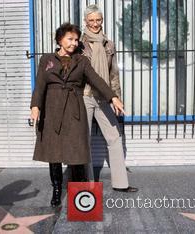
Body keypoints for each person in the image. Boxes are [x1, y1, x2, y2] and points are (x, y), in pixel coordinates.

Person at [30, 23, 125, 207]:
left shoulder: (82, 61)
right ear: (59, 40)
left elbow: (97, 79)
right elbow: (40, 85)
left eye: (76, 40)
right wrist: (35, 107)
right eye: (70, 39)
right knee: (53, 153)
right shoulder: (46, 60)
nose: (74, 43)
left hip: (75, 110)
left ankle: (81, 193)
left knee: (76, 153)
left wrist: (113, 97)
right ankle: (57, 190)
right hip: (52, 110)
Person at [81, 5, 138, 193]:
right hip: (85, 96)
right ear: (86, 21)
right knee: (84, 140)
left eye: (99, 20)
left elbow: (114, 74)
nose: (95, 24)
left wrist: (116, 97)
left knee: (114, 136)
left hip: (105, 98)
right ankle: (87, 185)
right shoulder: (79, 44)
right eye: (92, 20)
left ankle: (121, 184)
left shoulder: (109, 44)